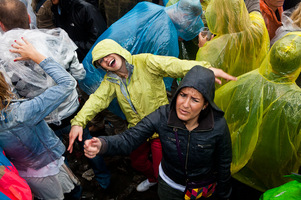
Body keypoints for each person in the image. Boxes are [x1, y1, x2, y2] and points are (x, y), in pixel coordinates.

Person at [69, 39, 236, 192]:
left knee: (161, 166)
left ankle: (158, 178)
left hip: (161, 126)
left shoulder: (145, 62)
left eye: (107, 55)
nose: (105, 60)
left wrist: (204, 69)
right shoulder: (110, 81)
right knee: (137, 162)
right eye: (101, 61)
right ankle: (153, 178)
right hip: (138, 129)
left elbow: (172, 65)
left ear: (118, 50)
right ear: (103, 67)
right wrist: (78, 121)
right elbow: (97, 99)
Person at [214, 32, 301, 196]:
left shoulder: (244, 81)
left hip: (235, 167)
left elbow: (224, 113)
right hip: (272, 178)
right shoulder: (298, 102)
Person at [0, 37, 79, 200]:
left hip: (24, 169)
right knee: (67, 194)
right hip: (45, 167)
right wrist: (37, 56)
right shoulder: (21, 113)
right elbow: (67, 83)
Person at [196, 0, 270, 87]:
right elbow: (254, 9)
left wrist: (203, 48)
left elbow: (202, 77)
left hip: (226, 96)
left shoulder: (214, 49)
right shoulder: (258, 28)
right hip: (252, 86)